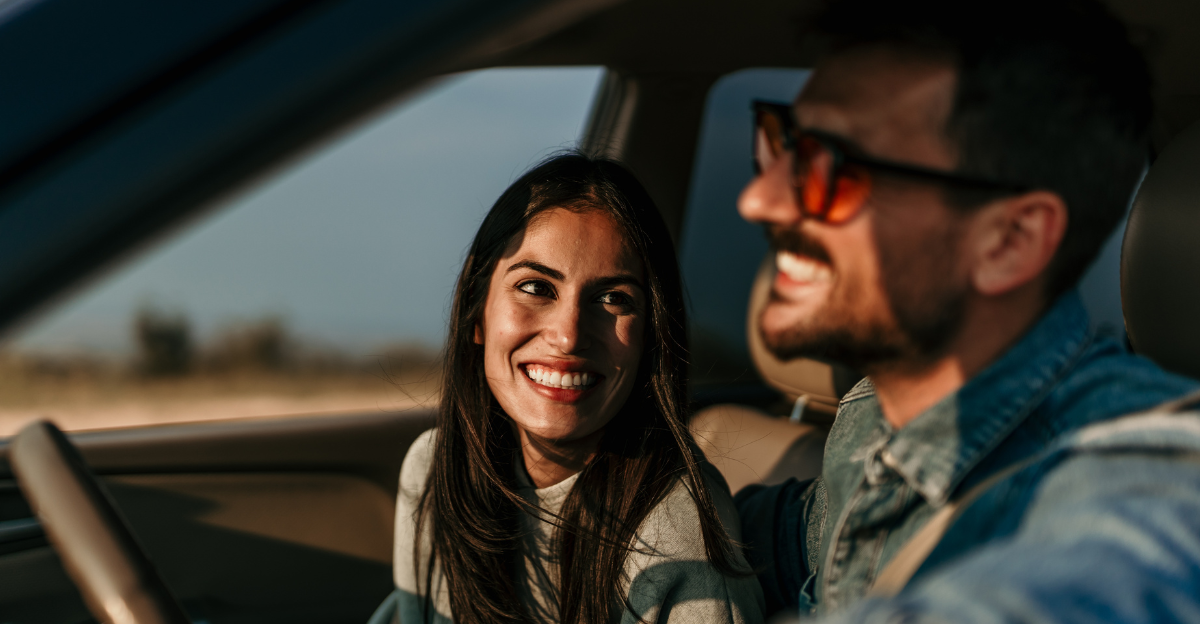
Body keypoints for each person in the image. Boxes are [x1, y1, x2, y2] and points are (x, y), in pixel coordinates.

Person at [735, 0, 1200, 621]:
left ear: (1008, 243)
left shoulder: (1146, 484)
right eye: (779, 144)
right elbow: (805, 537)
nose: (758, 199)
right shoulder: (881, 415)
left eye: (832, 167)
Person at [373, 153, 764, 624]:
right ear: (476, 310)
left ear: (650, 338)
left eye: (613, 298)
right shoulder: (435, 468)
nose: (569, 335)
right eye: (536, 287)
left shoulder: (676, 531)